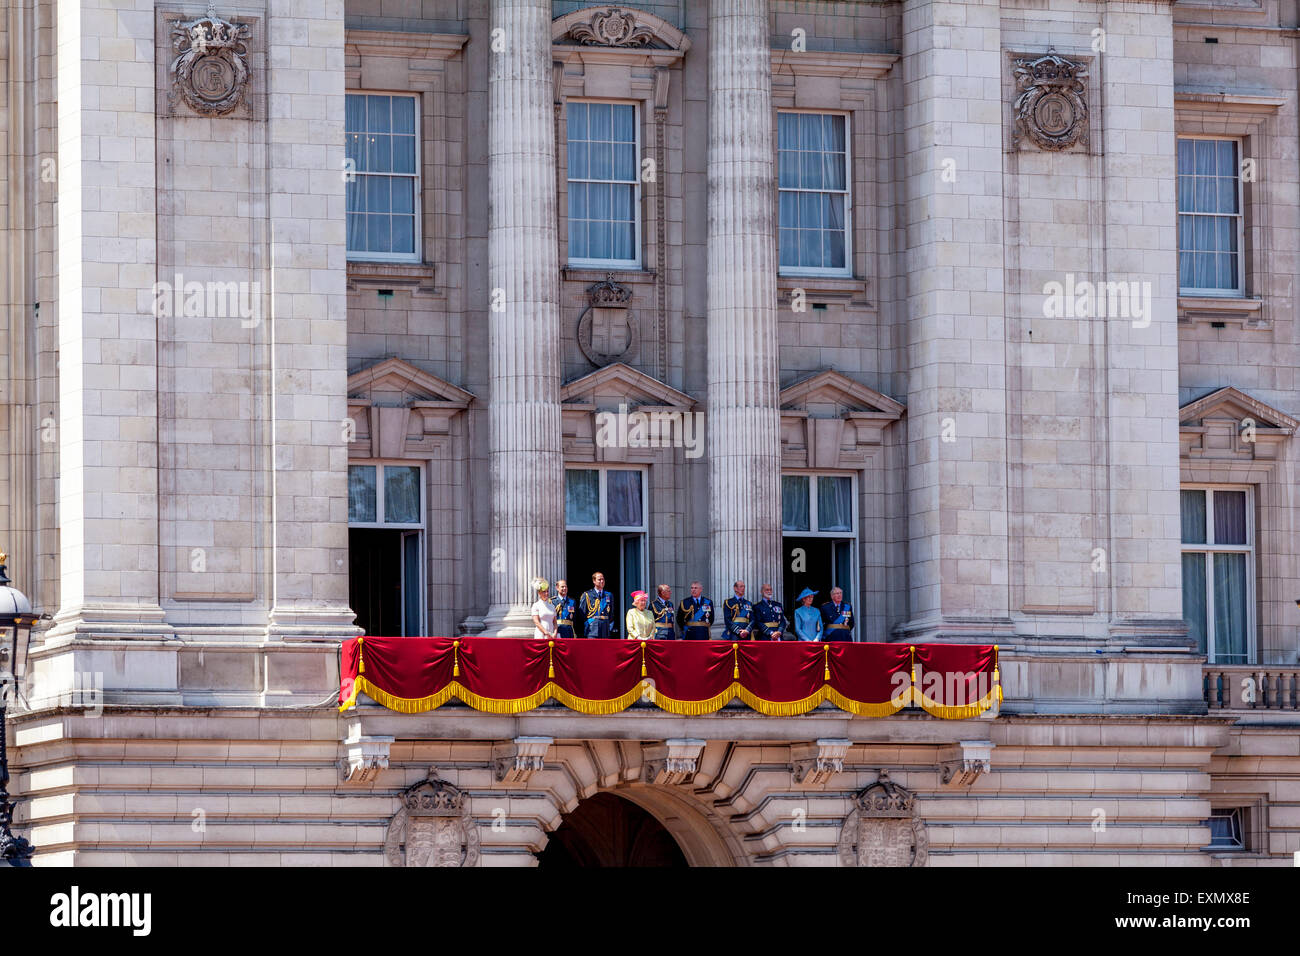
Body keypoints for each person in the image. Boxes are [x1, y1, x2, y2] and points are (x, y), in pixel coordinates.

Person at [577, 571, 613, 639]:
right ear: (594, 581)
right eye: (599, 579)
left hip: (605, 628)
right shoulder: (587, 595)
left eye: (603, 579)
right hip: (592, 628)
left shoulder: (609, 595)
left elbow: (611, 613)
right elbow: (582, 614)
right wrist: (590, 623)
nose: (602, 581)